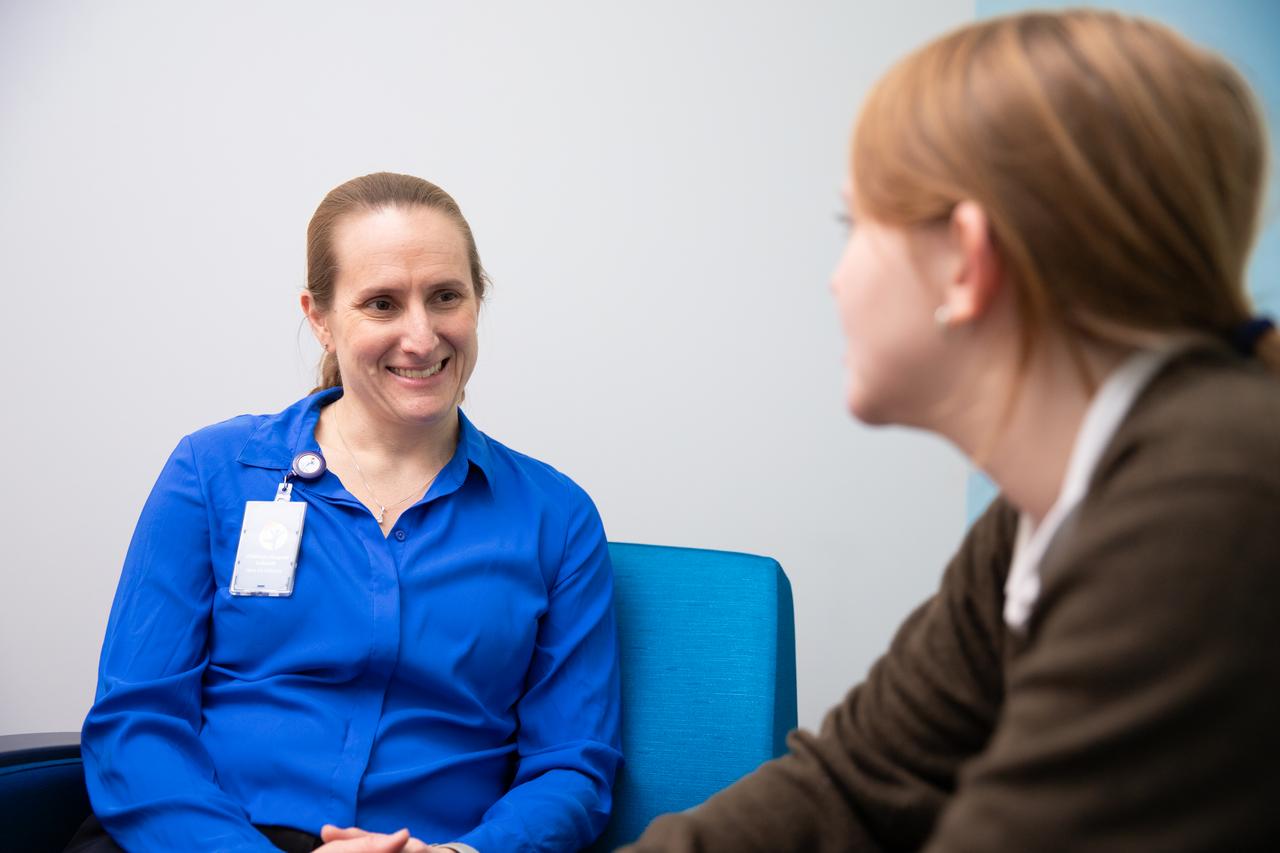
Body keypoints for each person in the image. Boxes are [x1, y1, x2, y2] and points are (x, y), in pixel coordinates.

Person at [625, 9, 1280, 851]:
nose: (835, 279)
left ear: (966, 260)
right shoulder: (1043, 515)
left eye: (852, 225)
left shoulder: (1201, 510)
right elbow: (857, 783)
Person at [72, 172, 622, 853]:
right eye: (382, 304)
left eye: (446, 296)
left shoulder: (556, 518)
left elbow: (573, 762)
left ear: (477, 300)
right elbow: (136, 723)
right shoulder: (211, 471)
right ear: (320, 318)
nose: (421, 337)